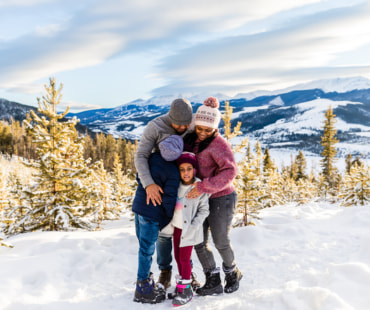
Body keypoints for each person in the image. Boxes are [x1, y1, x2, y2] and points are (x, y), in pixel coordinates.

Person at [183, 96, 243, 295]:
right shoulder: (191, 140)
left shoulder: (219, 144)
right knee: (199, 240)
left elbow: (230, 171)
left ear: (215, 128)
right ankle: (213, 279)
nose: (202, 132)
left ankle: (232, 272)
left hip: (221, 197)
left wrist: (204, 187)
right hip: (200, 199)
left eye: (207, 130)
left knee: (220, 241)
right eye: (199, 128)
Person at [134, 98, 193, 289]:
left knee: (186, 234)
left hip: (185, 189)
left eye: (187, 124)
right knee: (162, 236)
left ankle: (188, 274)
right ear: (170, 117)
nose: (183, 127)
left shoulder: (189, 126)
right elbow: (141, 156)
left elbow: (207, 130)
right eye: (179, 124)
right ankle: (165, 270)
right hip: (161, 189)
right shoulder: (156, 126)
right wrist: (148, 184)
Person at [132, 135, 184, 304]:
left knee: (143, 247)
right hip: (152, 216)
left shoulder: (152, 158)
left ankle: (145, 279)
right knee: (147, 250)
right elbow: (169, 199)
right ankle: (143, 288)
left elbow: (139, 177)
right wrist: (166, 219)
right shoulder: (173, 171)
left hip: (139, 209)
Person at [162, 151, 210, 306]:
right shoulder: (176, 185)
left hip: (189, 230)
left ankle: (186, 288)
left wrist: (195, 226)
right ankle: (182, 284)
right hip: (176, 227)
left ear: (194, 169)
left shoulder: (198, 187)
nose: (186, 173)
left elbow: (204, 210)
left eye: (189, 169)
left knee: (184, 258)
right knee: (177, 257)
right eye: (182, 169)